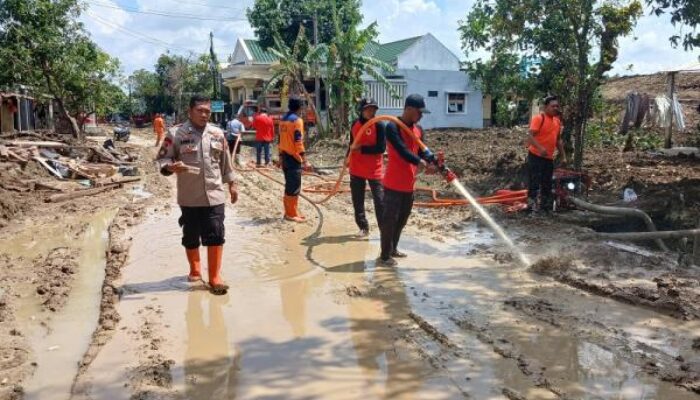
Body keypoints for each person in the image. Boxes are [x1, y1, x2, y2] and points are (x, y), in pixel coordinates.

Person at [156, 94, 238, 295]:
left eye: (207, 111)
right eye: (200, 110)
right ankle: (194, 269)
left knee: (216, 234)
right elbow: (162, 159)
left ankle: (215, 277)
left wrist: (233, 185)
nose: (204, 114)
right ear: (190, 111)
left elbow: (226, 163)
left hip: (214, 194)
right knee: (191, 235)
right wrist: (170, 167)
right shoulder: (176, 134)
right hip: (189, 196)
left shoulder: (218, 134)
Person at [379, 94, 435, 267]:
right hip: (393, 184)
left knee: (402, 220)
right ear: (409, 109)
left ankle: (393, 249)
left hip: (408, 185)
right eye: (419, 112)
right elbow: (402, 150)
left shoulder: (418, 130)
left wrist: (433, 161)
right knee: (389, 220)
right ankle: (385, 256)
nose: (421, 115)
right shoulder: (392, 127)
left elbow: (422, 150)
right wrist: (420, 162)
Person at [348, 98, 385, 237]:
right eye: (368, 109)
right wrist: (347, 158)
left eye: (373, 109)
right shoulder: (355, 124)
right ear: (361, 110)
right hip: (356, 167)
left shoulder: (379, 125)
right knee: (357, 200)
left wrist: (362, 150)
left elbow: (381, 148)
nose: (371, 111)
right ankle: (363, 227)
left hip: (374, 169)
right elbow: (351, 144)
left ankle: (384, 230)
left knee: (380, 201)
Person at [526, 95, 567, 213]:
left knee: (547, 183)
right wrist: (540, 148)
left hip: (548, 157)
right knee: (534, 182)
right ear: (545, 107)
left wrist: (563, 155)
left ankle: (545, 208)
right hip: (535, 156)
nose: (555, 108)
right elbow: (530, 136)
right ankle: (531, 207)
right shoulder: (539, 119)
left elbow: (558, 140)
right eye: (552, 106)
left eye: (557, 106)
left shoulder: (557, 122)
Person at [278, 97, 309, 222]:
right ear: (300, 107)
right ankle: (291, 214)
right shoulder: (297, 121)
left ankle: (291, 212)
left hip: (285, 156)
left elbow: (279, 140)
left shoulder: (283, 120)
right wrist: (305, 160)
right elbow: (298, 141)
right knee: (294, 186)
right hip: (293, 158)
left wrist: (280, 157)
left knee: (289, 185)